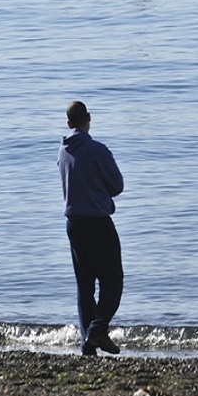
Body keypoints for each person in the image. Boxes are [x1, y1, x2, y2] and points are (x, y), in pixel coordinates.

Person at [57, 101, 124, 356]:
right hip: (97, 221)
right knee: (113, 281)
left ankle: (88, 343)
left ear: (68, 123)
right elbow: (117, 185)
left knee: (84, 286)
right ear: (89, 118)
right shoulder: (97, 150)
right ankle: (96, 330)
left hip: (73, 224)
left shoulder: (62, 152)